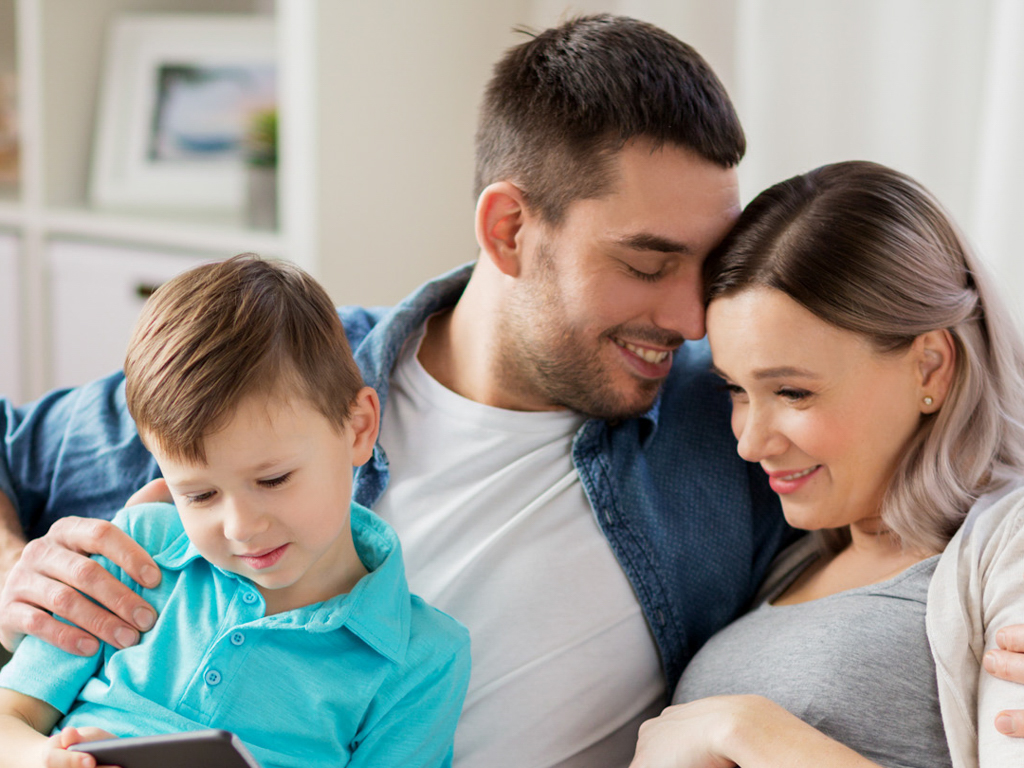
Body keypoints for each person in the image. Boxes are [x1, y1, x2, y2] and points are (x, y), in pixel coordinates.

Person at [2, 15, 1024, 767]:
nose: (687, 315)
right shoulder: (292, 378)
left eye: (705, 268)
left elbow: (950, 414)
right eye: (646, 261)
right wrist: (17, 572)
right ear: (507, 230)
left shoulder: (726, 417)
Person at [0, 255, 471, 768]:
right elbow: (12, 720)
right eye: (199, 496)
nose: (241, 528)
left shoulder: (422, 658)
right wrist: (44, 760)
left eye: (273, 480)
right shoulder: (134, 551)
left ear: (357, 428)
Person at [629, 161, 1024, 768]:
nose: (750, 443)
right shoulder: (789, 557)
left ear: (930, 368)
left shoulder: (1008, 545)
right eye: (735, 389)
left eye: (792, 392)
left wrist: (747, 729)